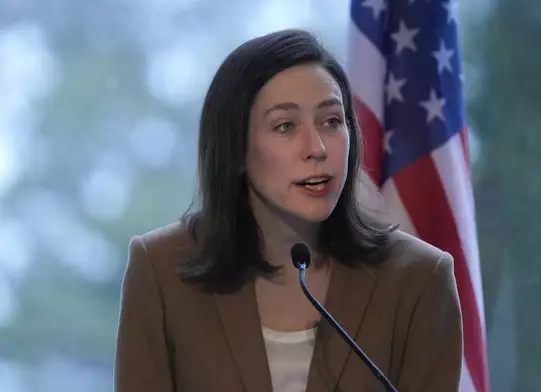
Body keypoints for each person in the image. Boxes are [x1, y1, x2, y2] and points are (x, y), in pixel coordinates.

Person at [114, 28, 463, 392]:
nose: (317, 148)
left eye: (331, 121)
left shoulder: (420, 278)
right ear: (234, 149)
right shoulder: (160, 269)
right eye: (285, 126)